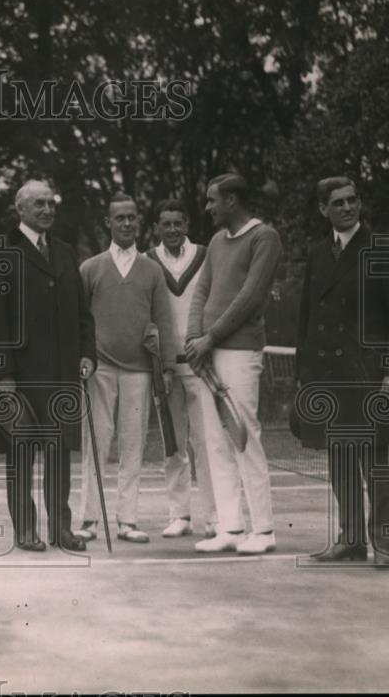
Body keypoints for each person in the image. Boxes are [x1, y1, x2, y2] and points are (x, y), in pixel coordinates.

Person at [296, 177, 389, 567]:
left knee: (374, 464)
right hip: (328, 376)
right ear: (323, 209)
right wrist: (303, 375)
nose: (347, 207)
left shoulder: (384, 249)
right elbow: (307, 319)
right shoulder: (317, 254)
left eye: (353, 200)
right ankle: (351, 540)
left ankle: (383, 545)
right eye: (338, 202)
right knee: (340, 460)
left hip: (369, 377)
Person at [0, 180, 95, 552]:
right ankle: (25, 529)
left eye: (51, 203)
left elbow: (83, 315)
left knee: (59, 455)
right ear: (20, 209)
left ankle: (61, 530)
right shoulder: (3, 251)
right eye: (39, 204)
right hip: (20, 378)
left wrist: (87, 353)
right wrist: (3, 376)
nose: (48, 210)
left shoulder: (65, 252)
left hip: (63, 373)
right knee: (21, 454)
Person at [186, 174, 281, 555]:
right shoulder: (215, 243)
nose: (207, 208)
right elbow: (201, 291)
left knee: (243, 436)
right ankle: (230, 527)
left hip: (240, 351)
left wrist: (210, 338)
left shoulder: (265, 237)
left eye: (212, 201)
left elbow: (250, 298)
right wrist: (194, 339)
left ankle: (265, 530)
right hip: (207, 352)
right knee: (215, 442)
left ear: (232, 201)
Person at [75, 193, 177, 545]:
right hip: (100, 369)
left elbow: (163, 318)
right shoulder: (91, 267)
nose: (127, 223)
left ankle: (127, 520)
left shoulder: (151, 270)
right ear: (108, 222)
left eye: (132, 217)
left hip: (139, 370)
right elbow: (79, 319)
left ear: (139, 221)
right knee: (95, 443)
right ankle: (89, 518)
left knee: (133, 445)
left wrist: (167, 367)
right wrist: (82, 357)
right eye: (120, 218)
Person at [145, 199, 218, 539]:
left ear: (187, 224)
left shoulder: (205, 255)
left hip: (201, 363)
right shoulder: (148, 261)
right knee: (173, 444)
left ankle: (215, 516)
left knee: (206, 443)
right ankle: (180, 516)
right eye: (166, 224)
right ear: (157, 228)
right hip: (166, 369)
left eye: (178, 223)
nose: (172, 229)